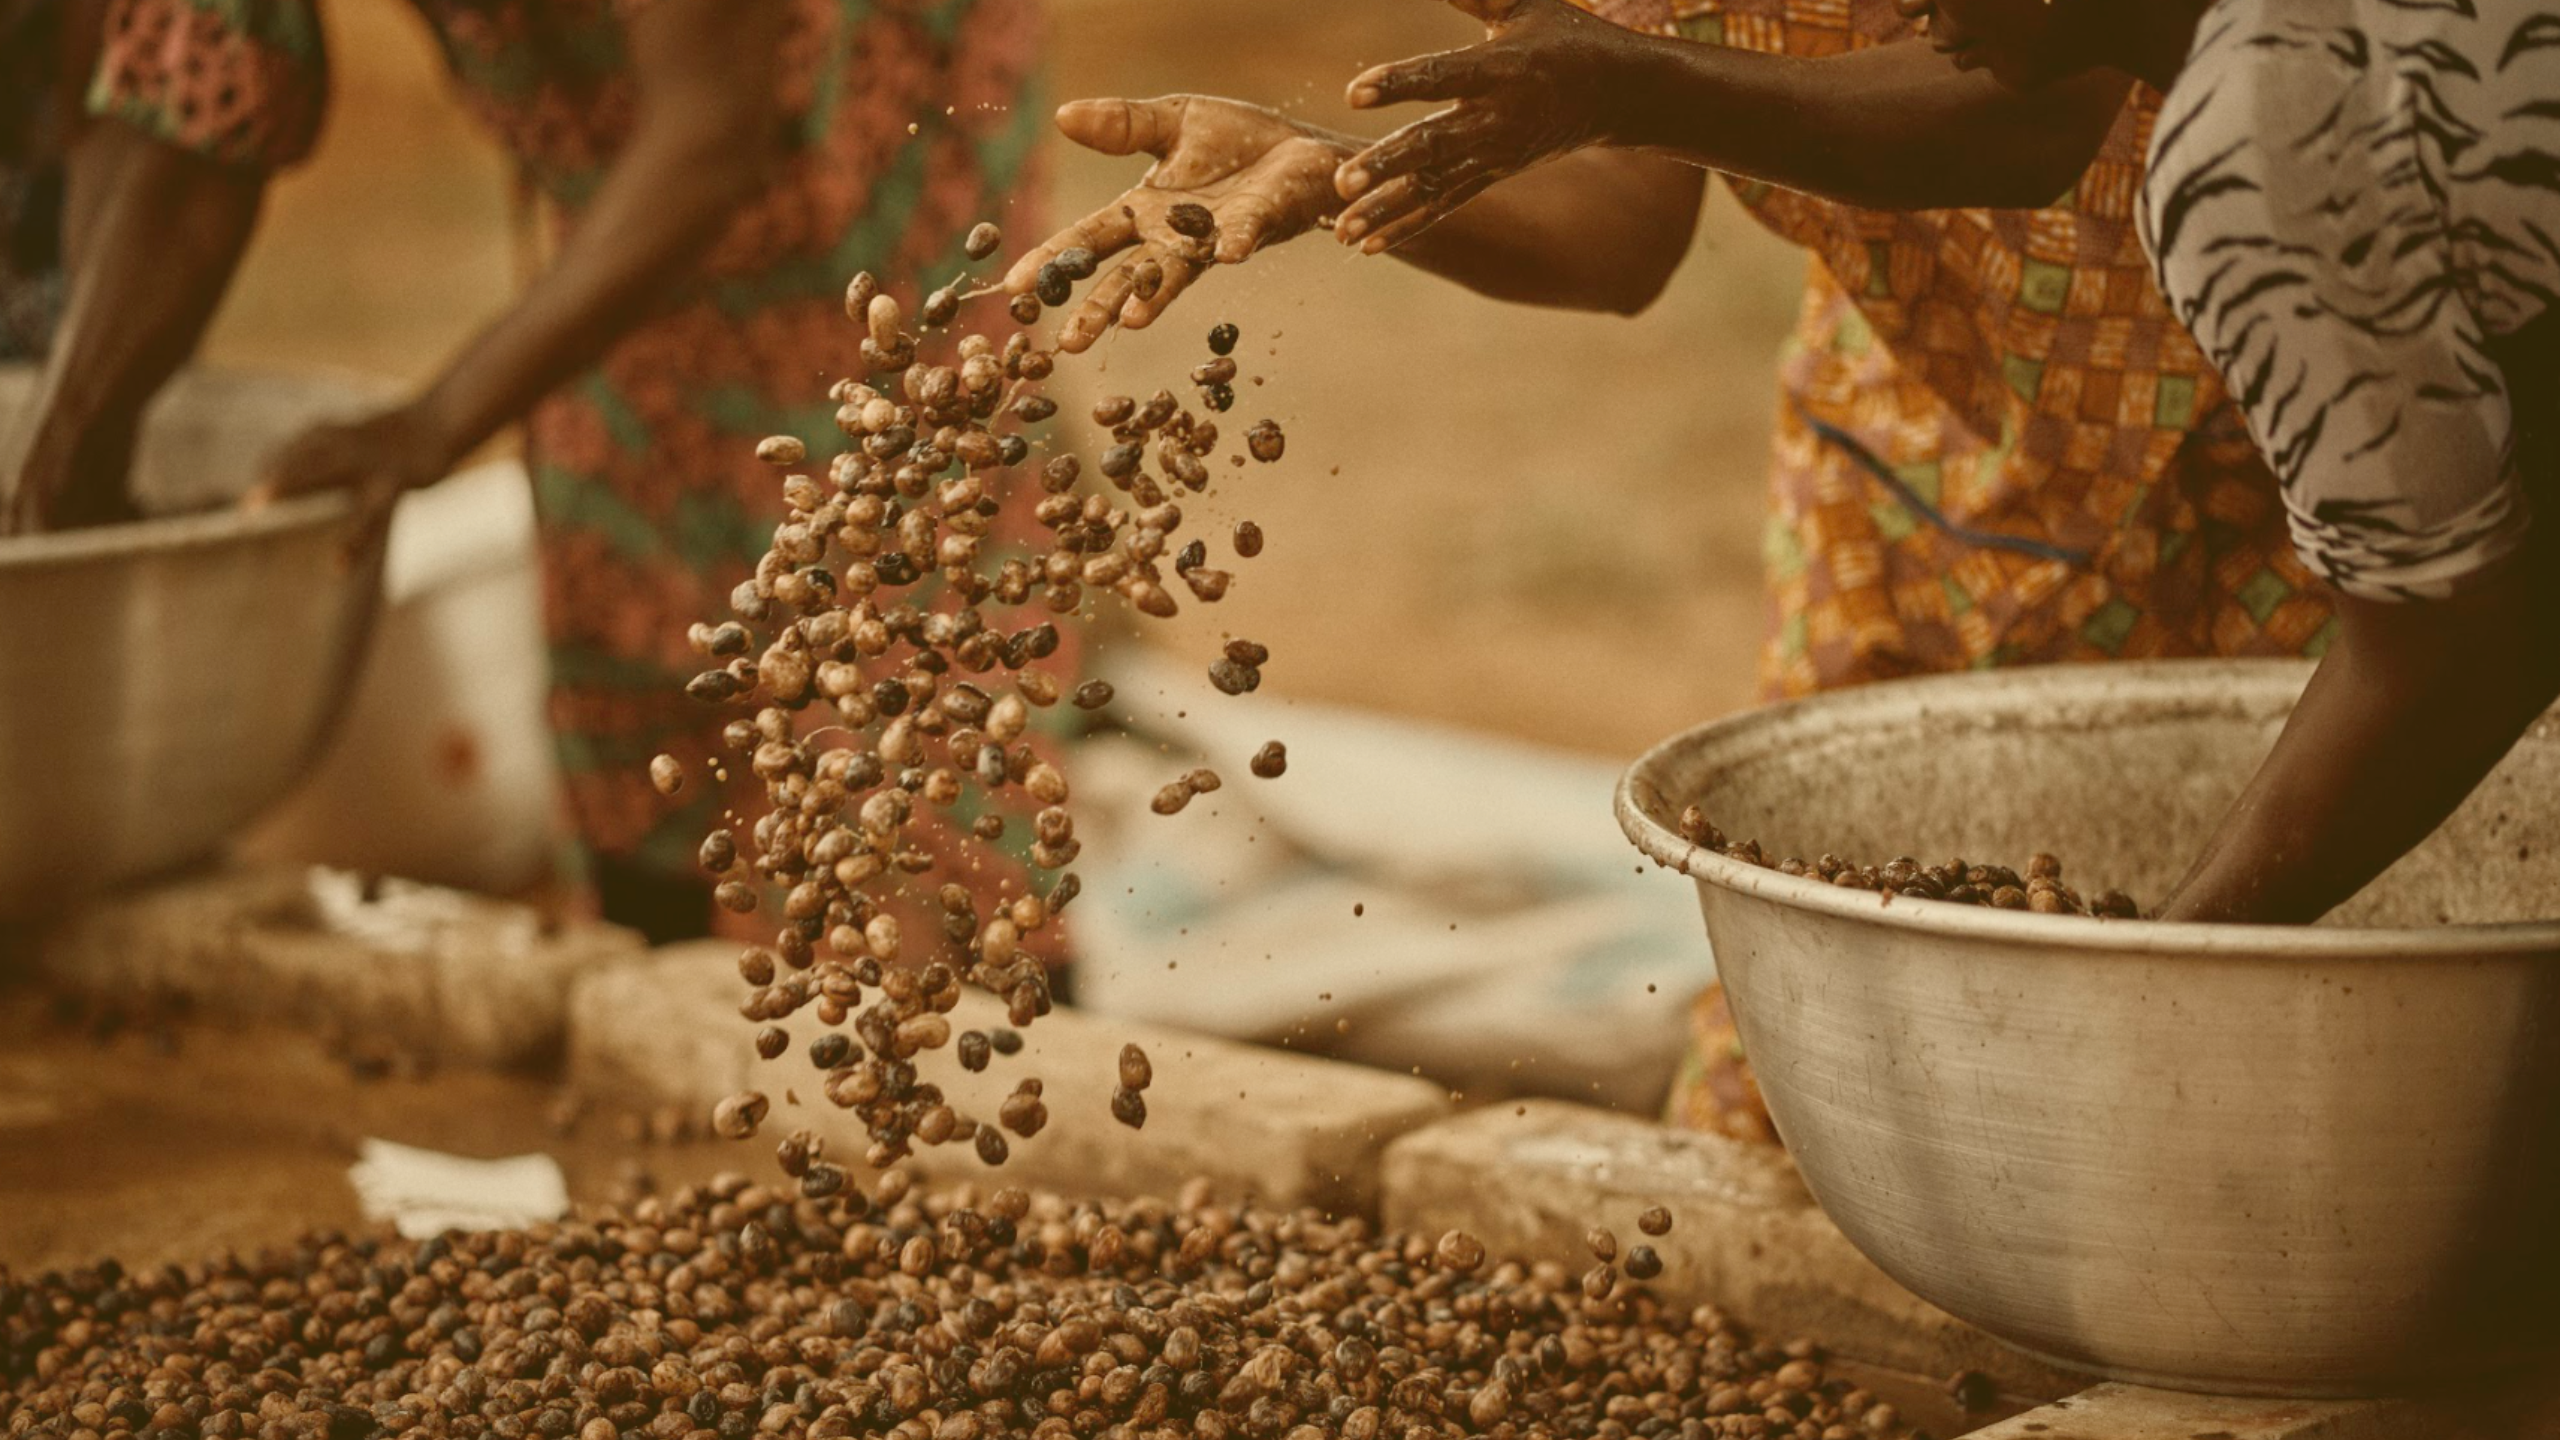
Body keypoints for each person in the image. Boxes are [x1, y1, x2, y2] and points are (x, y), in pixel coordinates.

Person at [1002, 0, 2341, 1134]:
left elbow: (2028, 99)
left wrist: (1624, 82)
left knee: (2290, 1012)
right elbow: (1618, 227)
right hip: (1927, 451)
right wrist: (1343, 172)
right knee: (1826, 1011)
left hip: (2298, 416)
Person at [1, 0, 1069, 952]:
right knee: (643, 697)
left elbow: (708, 135)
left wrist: (430, 427)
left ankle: (984, 1072)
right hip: (618, 220)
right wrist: (65, 457)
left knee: (905, 754)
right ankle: (664, 1035)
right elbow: (189, 119)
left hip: (884, 192)